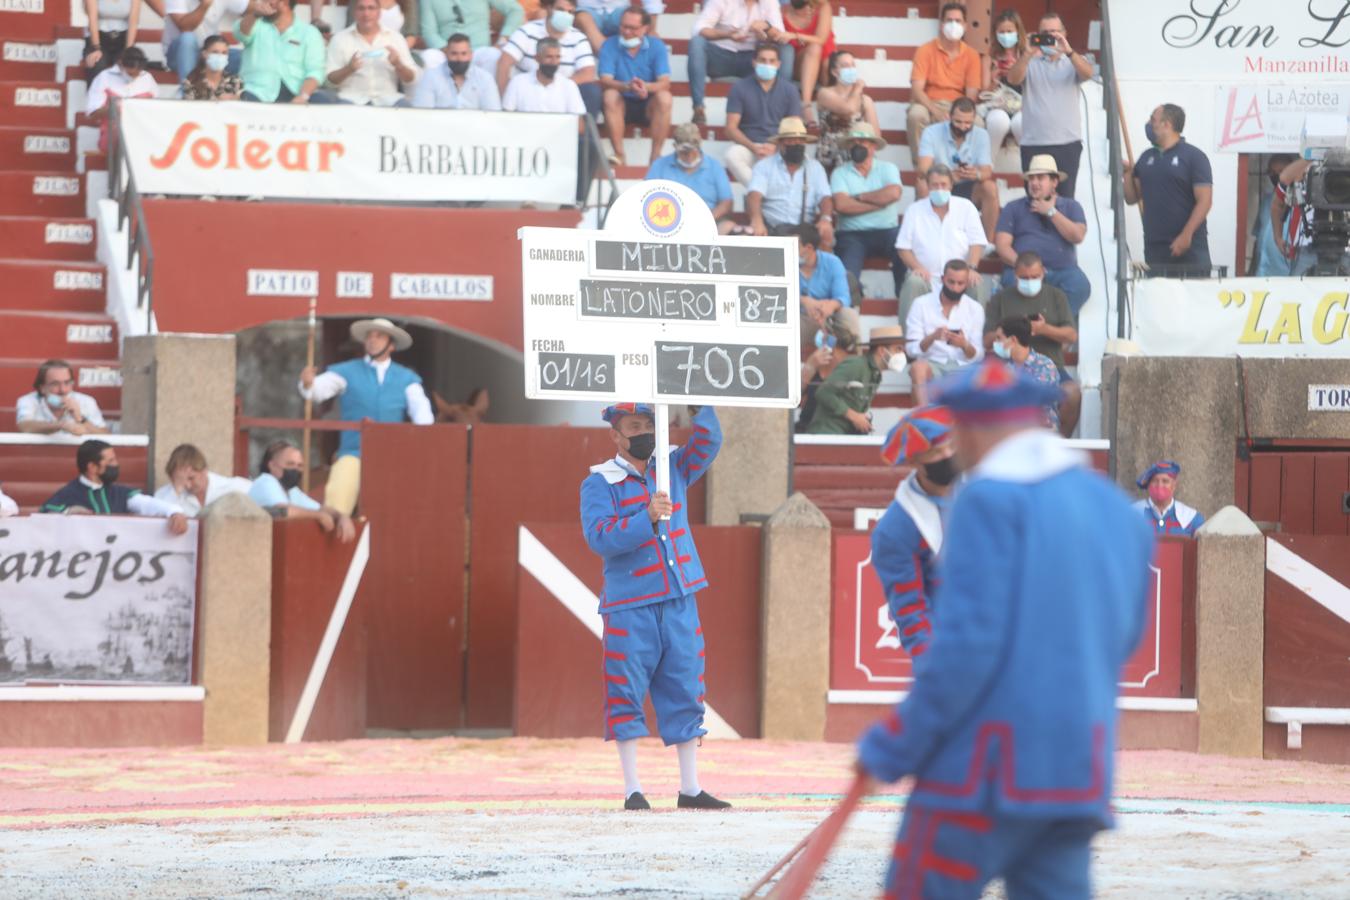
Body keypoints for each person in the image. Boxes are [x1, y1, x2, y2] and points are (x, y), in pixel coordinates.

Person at [857, 358, 1154, 900]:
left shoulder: (987, 501)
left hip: (984, 769)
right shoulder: (1113, 508)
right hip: (1077, 767)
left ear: (968, 429)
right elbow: (1126, 636)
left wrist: (897, 743)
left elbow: (967, 648)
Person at [580, 402, 730, 811]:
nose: (644, 431)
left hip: (679, 595)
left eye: (649, 424)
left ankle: (691, 788)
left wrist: (700, 408)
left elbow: (709, 443)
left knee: (686, 686)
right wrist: (645, 518)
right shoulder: (598, 483)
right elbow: (599, 538)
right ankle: (632, 790)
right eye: (635, 426)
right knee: (624, 691)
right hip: (629, 603)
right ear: (616, 435)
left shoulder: (672, 467)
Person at [297, 318, 434, 515]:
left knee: (408, 500)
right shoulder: (346, 370)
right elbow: (318, 390)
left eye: (379, 336)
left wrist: (422, 440)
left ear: (391, 345)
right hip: (353, 452)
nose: (372, 340)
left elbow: (422, 415)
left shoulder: (407, 378)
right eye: (369, 336)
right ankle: (335, 525)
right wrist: (308, 383)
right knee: (338, 492)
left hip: (394, 454)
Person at [871, 405, 957, 658]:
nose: (948, 454)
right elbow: (912, 611)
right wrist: (936, 671)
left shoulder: (989, 491)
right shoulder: (897, 529)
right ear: (913, 460)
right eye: (936, 452)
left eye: (952, 446)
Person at [983, 251, 1081, 436]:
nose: (1030, 281)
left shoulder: (1056, 296)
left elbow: (1071, 336)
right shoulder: (1001, 298)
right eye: (1024, 277)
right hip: (1007, 363)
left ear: (1043, 272)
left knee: (1072, 392)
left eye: (1035, 277)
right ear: (1015, 275)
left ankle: (1062, 441)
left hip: (1051, 364)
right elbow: (987, 340)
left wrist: (1044, 329)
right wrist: (1010, 330)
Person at [1005, 11, 1093, 199]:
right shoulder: (1029, 62)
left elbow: (1088, 73)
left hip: (1067, 143)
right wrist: (1027, 53)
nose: (1050, 36)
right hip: (1034, 143)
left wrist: (1068, 51)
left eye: (1054, 32)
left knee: (1065, 200)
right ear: (1037, 35)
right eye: (1045, 32)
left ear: (1064, 33)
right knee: (1034, 201)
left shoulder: (1073, 61)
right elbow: (1012, 78)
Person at [1123, 103, 1214, 278]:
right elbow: (1131, 197)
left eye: (1153, 119)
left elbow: (1205, 201)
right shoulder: (1146, 157)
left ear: (1167, 124)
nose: (1149, 124)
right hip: (1155, 247)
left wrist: (1186, 235)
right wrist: (1128, 173)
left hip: (1190, 247)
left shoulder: (1194, 156)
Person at [993, 154, 1089, 316]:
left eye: (1040, 178)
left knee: (1080, 286)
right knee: (1011, 283)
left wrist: (1051, 212)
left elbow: (1078, 236)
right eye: (1031, 179)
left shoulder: (1071, 206)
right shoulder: (1013, 208)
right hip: (1023, 270)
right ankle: (1028, 327)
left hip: (1062, 271)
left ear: (1054, 182)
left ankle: (1051, 327)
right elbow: (1002, 246)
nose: (1034, 183)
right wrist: (1025, 266)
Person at [895, 164, 989, 326]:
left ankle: (976, 343)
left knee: (977, 282)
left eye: (944, 185)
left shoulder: (966, 207)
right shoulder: (914, 210)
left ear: (951, 185)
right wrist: (917, 267)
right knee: (913, 282)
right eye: (935, 185)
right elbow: (903, 247)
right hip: (926, 277)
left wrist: (971, 268)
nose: (940, 189)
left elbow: (977, 242)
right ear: (927, 186)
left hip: (959, 277)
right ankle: (908, 343)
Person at [40, 439, 190, 535]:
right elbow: (45, 516)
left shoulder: (119, 492)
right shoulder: (69, 493)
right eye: (110, 461)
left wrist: (174, 512)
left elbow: (146, 503)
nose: (116, 465)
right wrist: (68, 512)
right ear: (92, 467)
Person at [906, 2, 982, 182]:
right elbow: (917, 89)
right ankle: (923, 173)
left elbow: (971, 95)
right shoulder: (925, 50)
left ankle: (965, 172)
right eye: (949, 20)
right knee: (916, 116)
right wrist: (936, 111)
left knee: (978, 122)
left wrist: (956, 114)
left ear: (965, 25)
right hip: (928, 102)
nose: (954, 25)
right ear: (941, 24)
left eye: (958, 21)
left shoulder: (971, 55)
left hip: (958, 106)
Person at [687, 0, 792, 127]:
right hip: (721, 56)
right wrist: (728, 35)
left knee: (786, 50)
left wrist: (766, 28)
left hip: (752, 60)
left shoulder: (769, 2)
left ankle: (779, 108)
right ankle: (698, 108)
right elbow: (699, 29)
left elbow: (780, 36)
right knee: (697, 42)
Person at [830, 123, 904, 299]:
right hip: (852, 235)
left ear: (873, 146)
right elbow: (841, 206)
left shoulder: (888, 168)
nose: (857, 146)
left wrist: (859, 197)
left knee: (904, 249)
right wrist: (879, 203)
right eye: (853, 142)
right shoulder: (839, 173)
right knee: (847, 275)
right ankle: (853, 302)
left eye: (862, 141)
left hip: (887, 231)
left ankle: (902, 297)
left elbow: (894, 193)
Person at [917, 96, 999, 241]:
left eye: (968, 123)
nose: (962, 127)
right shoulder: (931, 132)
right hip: (940, 185)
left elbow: (987, 170)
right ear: (949, 116)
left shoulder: (981, 135)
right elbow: (923, 169)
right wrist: (947, 177)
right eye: (958, 121)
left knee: (990, 187)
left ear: (974, 120)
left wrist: (977, 174)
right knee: (922, 184)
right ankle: (925, 237)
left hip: (968, 185)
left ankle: (988, 242)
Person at [597, 9, 672, 166]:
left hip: (647, 103)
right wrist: (627, 86)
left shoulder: (657, 46)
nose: (627, 32)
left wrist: (645, 87)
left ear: (645, 28)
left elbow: (664, 82)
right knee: (609, 95)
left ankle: (655, 156)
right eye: (624, 26)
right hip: (621, 102)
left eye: (633, 28)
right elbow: (605, 80)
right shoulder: (609, 44)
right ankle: (619, 154)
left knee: (665, 97)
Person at [497, 0, 599, 114]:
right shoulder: (527, 31)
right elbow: (504, 62)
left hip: (563, 93)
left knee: (591, 91)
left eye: (570, 12)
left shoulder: (579, 38)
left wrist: (557, 87)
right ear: (549, 8)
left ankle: (582, 131)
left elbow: (588, 73)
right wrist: (504, 97)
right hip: (527, 91)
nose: (566, 15)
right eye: (560, 10)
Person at [905, 259, 984, 405]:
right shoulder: (921, 304)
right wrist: (932, 337)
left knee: (985, 374)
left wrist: (964, 345)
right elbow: (910, 350)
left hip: (964, 366)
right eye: (951, 282)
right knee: (918, 368)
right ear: (942, 280)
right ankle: (923, 418)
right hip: (933, 363)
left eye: (960, 283)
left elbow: (978, 354)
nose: (955, 288)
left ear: (966, 283)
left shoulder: (975, 308)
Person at [722, 44, 803, 187]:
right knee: (732, 155)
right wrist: (754, 148)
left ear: (778, 64)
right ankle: (761, 191)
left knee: (802, 159)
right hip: (749, 146)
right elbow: (730, 128)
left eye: (772, 61)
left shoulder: (790, 90)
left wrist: (774, 146)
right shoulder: (740, 88)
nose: (767, 64)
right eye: (763, 60)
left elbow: (794, 128)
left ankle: (761, 192)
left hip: (779, 148)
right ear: (754, 62)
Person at [805, 324, 906, 435]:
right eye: (898, 349)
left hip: (846, 436)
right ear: (882, 350)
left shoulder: (876, 375)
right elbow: (823, 392)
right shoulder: (856, 365)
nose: (902, 354)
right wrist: (854, 416)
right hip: (827, 433)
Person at [746, 116, 833, 244]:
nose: (796, 144)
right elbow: (754, 195)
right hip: (772, 228)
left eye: (800, 141)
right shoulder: (764, 166)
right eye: (791, 141)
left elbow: (825, 198)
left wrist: (825, 218)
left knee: (826, 234)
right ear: (781, 143)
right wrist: (757, 220)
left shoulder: (815, 168)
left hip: (804, 231)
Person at [250, 439, 356, 542]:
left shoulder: (291, 491)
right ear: (272, 465)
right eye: (290, 464)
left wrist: (342, 516)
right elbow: (281, 511)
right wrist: (318, 516)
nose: (296, 470)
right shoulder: (265, 481)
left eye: (300, 466)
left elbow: (320, 508)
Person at [235, 0, 335, 104]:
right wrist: (255, 15)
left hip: (296, 92)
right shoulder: (255, 24)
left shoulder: (309, 33)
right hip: (256, 92)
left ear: (284, 3)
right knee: (247, 99)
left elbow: (315, 72)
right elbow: (241, 34)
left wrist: (303, 96)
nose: (263, 4)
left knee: (325, 101)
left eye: (267, 1)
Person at [326, 0, 419, 106]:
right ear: (354, 12)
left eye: (371, 8)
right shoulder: (340, 39)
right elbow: (330, 80)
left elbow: (412, 78)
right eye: (361, 8)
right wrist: (349, 69)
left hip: (388, 100)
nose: (366, 14)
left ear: (379, 12)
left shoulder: (395, 38)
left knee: (405, 107)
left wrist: (399, 65)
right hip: (351, 100)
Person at [645, 123, 735, 232]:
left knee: (728, 226)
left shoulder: (714, 166)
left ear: (699, 146)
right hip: (668, 224)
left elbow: (726, 202)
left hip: (707, 222)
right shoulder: (659, 166)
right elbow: (646, 199)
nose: (689, 157)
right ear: (675, 147)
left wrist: (706, 219)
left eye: (693, 152)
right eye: (684, 153)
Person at [793, 222, 859, 349]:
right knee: (790, 324)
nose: (788, 248)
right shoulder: (784, 262)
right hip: (800, 319)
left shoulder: (833, 262)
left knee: (849, 314)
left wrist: (831, 306)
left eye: (794, 246)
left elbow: (843, 297)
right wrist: (803, 301)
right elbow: (778, 295)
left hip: (829, 318)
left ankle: (854, 359)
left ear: (809, 248)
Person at [814, 50, 880, 170]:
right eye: (845, 66)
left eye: (853, 65)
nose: (851, 69)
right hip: (830, 155)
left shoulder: (865, 100)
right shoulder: (824, 93)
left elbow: (875, 135)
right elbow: (848, 108)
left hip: (858, 156)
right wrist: (858, 87)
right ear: (834, 72)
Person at [992, 315, 1060, 430]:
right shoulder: (1006, 368)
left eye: (999, 338)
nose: (995, 343)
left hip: (1041, 431)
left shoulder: (1044, 365)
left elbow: (1035, 400)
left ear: (1013, 339)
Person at [152, 443, 253, 516]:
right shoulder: (164, 495)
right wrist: (176, 490)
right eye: (179, 480)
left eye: (191, 478)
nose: (187, 485)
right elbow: (155, 520)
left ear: (204, 470)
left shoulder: (232, 486)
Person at [16, 359, 110, 436]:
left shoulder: (86, 401)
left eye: (67, 383)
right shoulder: (28, 400)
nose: (63, 390)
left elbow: (105, 436)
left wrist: (80, 419)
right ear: (42, 388)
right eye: (55, 384)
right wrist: (61, 425)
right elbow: (25, 426)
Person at [163, 0, 250, 81]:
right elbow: (186, 28)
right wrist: (205, 5)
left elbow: (252, 7)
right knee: (187, 38)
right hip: (179, 54)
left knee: (247, 58)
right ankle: (188, 92)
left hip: (210, 53)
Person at [420, 0, 522, 69]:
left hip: (479, 51)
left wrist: (502, 41)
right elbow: (429, 32)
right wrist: (451, 52)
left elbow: (515, 11)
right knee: (429, 56)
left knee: (493, 55)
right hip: (446, 52)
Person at [411, 32, 502, 109]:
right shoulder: (431, 76)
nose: (459, 59)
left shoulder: (485, 79)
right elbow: (422, 113)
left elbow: (492, 115)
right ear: (446, 54)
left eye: (464, 54)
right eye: (454, 54)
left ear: (471, 55)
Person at [502, 36, 587, 113]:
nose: (554, 62)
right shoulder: (518, 82)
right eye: (549, 57)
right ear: (537, 58)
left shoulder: (569, 86)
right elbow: (506, 116)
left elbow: (579, 122)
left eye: (557, 57)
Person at [780, 0, 832, 120]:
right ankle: (806, 104)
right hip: (801, 65)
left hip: (824, 61)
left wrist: (795, 36)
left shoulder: (823, 6)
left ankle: (831, 111)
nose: (810, 8)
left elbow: (821, 39)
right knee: (814, 49)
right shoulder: (782, 13)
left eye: (812, 4)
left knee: (829, 65)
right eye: (805, 4)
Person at [984, 9, 1025, 154]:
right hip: (998, 105)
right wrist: (994, 78)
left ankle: (1028, 169)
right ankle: (988, 164)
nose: (1006, 35)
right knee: (998, 121)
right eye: (1001, 32)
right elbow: (983, 93)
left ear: (1018, 32)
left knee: (1020, 123)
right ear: (995, 34)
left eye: (1009, 31)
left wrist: (1017, 72)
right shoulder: (990, 56)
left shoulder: (1027, 55)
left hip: (1022, 105)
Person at [85, 46, 157, 128]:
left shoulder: (147, 77)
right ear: (120, 64)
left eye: (137, 74)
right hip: (113, 131)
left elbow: (156, 108)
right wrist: (116, 108)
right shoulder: (104, 77)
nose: (133, 78)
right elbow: (93, 113)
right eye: (130, 74)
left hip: (141, 128)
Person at [1134, 459, 1205, 537]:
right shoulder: (1132, 513)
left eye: (1165, 481)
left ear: (1174, 485)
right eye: (1155, 481)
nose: (1160, 485)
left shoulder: (1191, 518)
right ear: (1148, 485)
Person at [574, 0, 663, 54]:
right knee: (583, 19)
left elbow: (652, 2)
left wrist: (651, 29)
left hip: (619, 10)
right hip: (586, 10)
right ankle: (609, 58)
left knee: (634, 20)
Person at [83, 0, 141, 82]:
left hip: (123, 40)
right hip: (99, 39)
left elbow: (133, 20)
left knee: (128, 64)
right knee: (97, 64)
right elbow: (92, 18)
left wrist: (129, 50)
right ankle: (95, 94)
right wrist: (96, 48)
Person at [183, 35, 244, 99]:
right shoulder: (191, 81)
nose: (220, 56)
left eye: (224, 53)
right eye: (215, 52)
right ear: (204, 54)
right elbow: (189, 107)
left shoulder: (235, 81)